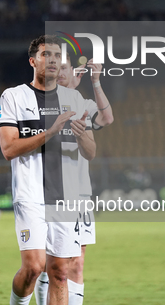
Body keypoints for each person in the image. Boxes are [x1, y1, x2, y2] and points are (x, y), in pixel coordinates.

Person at [0, 34, 96, 305]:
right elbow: (8, 149)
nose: (52, 60)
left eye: (57, 56)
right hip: (30, 195)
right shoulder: (13, 97)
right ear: (33, 61)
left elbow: (90, 152)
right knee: (33, 267)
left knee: (60, 272)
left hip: (64, 198)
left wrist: (81, 136)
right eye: (45, 55)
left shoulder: (73, 99)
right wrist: (51, 131)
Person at [34, 54, 114, 305]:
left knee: (77, 263)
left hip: (80, 194)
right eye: (56, 68)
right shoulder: (42, 102)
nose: (60, 72)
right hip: (51, 192)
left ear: (73, 72)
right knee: (50, 264)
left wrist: (96, 81)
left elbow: (107, 118)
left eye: (65, 68)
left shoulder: (82, 103)